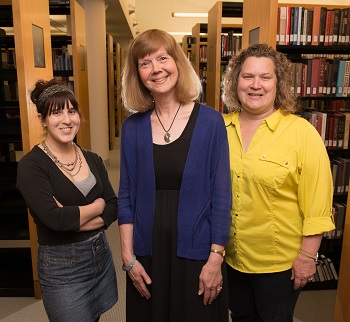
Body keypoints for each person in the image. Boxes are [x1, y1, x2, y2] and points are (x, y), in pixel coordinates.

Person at [118, 29, 232, 322]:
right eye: (145, 63)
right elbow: (126, 197)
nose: (156, 69)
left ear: (177, 63)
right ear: (138, 74)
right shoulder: (132, 128)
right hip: (147, 254)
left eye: (162, 58)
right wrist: (128, 258)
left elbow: (221, 198)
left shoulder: (211, 122)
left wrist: (216, 259)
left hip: (197, 253)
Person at [221, 43, 336, 321]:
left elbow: (317, 205)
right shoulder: (218, 128)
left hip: (280, 264)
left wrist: (307, 258)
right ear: (235, 82)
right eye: (247, 76)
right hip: (231, 258)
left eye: (265, 77)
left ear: (279, 83)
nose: (255, 85)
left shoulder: (302, 134)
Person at [16, 78, 118, 322]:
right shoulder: (32, 166)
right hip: (62, 267)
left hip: (100, 255)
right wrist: (97, 206)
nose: (67, 120)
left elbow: (114, 205)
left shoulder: (92, 158)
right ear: (42, 119)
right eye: (56, 112)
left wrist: (78, 216)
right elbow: (55, 219)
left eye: (72, 111)